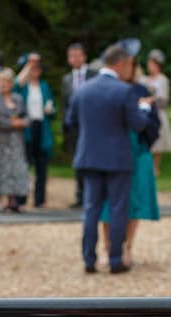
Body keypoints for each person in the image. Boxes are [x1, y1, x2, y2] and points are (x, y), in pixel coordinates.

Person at [69, 43, 150, 274]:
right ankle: (115, 260)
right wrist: (144, 109)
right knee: (117, 209)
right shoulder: (124, 91)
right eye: (129, 65)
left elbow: (71, 121)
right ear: (121, 63)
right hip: (117, 159)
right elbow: (138, 124)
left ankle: (88, 260)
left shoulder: (83, 89)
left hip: (89, 156)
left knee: (91, 209)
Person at [100, 58, 162, 268]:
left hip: (138, 152)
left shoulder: (141, 89)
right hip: (113, 153)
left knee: (134, 203)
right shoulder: (109, 89)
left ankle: (127, 247)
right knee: (109, 203)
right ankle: (109, 247)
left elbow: (153, 124)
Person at [14, 52, 56, 209]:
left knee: (42, 165)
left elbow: (53, 107)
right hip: (27, 127)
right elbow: (16, 83)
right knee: (24, 164)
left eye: (37, 68)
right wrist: (29, 64)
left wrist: (50, 110)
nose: (35, 70)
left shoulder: (44, 86)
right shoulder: (22, 87)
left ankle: (40, 199)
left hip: (42, 126)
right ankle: (21, 199)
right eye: (32, 68)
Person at [0, 68, 30, 214]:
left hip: (15, 141)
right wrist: (13, 124)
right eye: (1, 81)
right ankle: (0, 201)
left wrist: (23, 123)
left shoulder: (17, 98)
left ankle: (12, 200)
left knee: (15, 169)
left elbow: (26, 116)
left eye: (7, 82)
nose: (4, 84)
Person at [61, 43, 96, 208]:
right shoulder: (67, 79)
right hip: (75, 128)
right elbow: (65, 104)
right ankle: (80, 195)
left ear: (84, 56)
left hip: (93, 126)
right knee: (78, 161)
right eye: (72, 56)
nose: (75, 59)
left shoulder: (94, 75)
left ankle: (93, 194)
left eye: (78, 55)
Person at [142, 49, 171, 175]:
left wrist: (152, 99)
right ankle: (148, 167)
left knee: (158, 142)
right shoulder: (145, 79)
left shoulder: (162, 79)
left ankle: (155, 168)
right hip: (146, 113)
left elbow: (164, 99)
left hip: (158, 112)